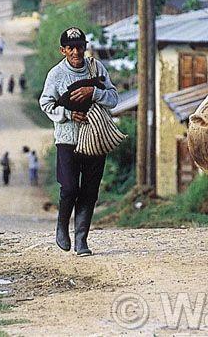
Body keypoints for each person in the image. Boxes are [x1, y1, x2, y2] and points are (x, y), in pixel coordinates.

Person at [39, 26, 119, 256]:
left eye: (80, 47)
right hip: (68, 140)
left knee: (90, 190)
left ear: (85, 48)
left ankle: (81, 239)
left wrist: (92, 93)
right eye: (70, 48)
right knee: (70, 187)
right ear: (63, 50)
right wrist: (67, 114)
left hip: (95, 138)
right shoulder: (56, 74)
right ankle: (62, 226)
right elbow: (46, 104)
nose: (76, 52)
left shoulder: (96, 67)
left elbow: (113, 98)